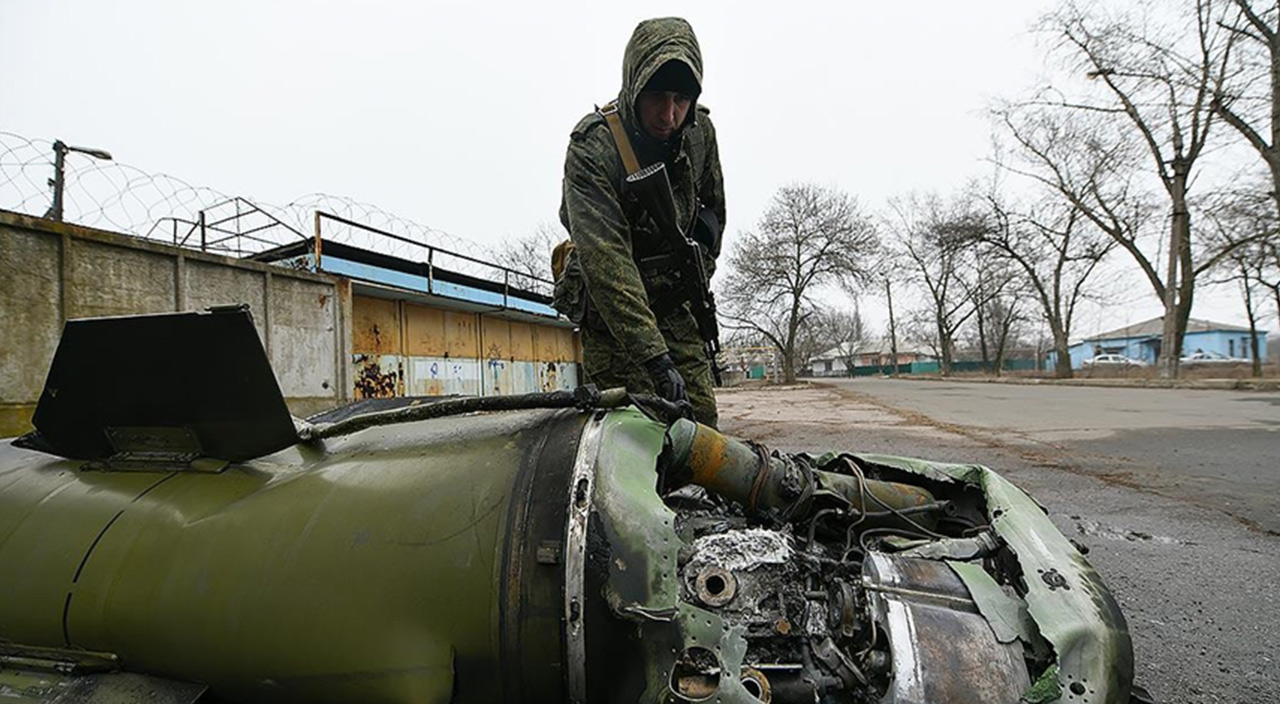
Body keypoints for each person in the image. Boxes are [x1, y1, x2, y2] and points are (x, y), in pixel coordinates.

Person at [555, 16, 725, 427]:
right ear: (634, 85)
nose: (669, 114)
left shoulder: (700, 132)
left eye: (680, 100)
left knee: (701, 434)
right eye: (657, 97)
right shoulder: (594, 147)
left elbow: (713, 209)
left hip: (676, 304)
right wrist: (655, 357)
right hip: (615, 321)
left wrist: (699, 257)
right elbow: (605, 259)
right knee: (626, 440)